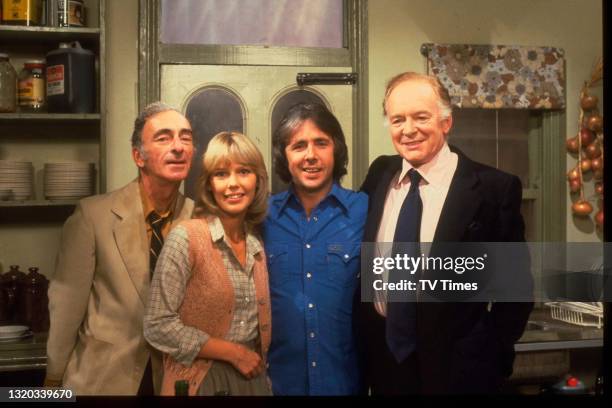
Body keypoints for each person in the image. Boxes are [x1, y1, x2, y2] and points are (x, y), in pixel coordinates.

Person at [359, 72, 533, 394]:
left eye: (420, 117)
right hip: (386, 368)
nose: (408, 130)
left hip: (461, 375)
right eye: (397, 119)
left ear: (446, 122)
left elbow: (516, 291)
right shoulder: (379, 174)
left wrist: (492, 359)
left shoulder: (493, 189)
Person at [44, 102, 195, 395]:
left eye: (186, 137)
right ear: (138, 156)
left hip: (175, 378)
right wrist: (53, 379)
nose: (178, 147)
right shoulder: (93, 215)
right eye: (164, 137)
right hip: (103, 378)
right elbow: (65, 306)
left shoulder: (200, 218)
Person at [143, 131, 272, 396]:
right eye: (221, 174)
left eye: (244, 172)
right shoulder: (187, 237)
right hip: (197, 381)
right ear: (209, 184)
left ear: (257, 182)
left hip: (252, 380)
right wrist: (233, 353)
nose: (233, 184)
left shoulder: (258, 246)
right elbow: (157, 326)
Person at [263, 103, 368, 395]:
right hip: (277, 387)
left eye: (321, 143)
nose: (311, 155)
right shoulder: (261, 217)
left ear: (336, 150)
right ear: (284, 156)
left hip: (345, 384)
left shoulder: (366, 210)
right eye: (299, 146)